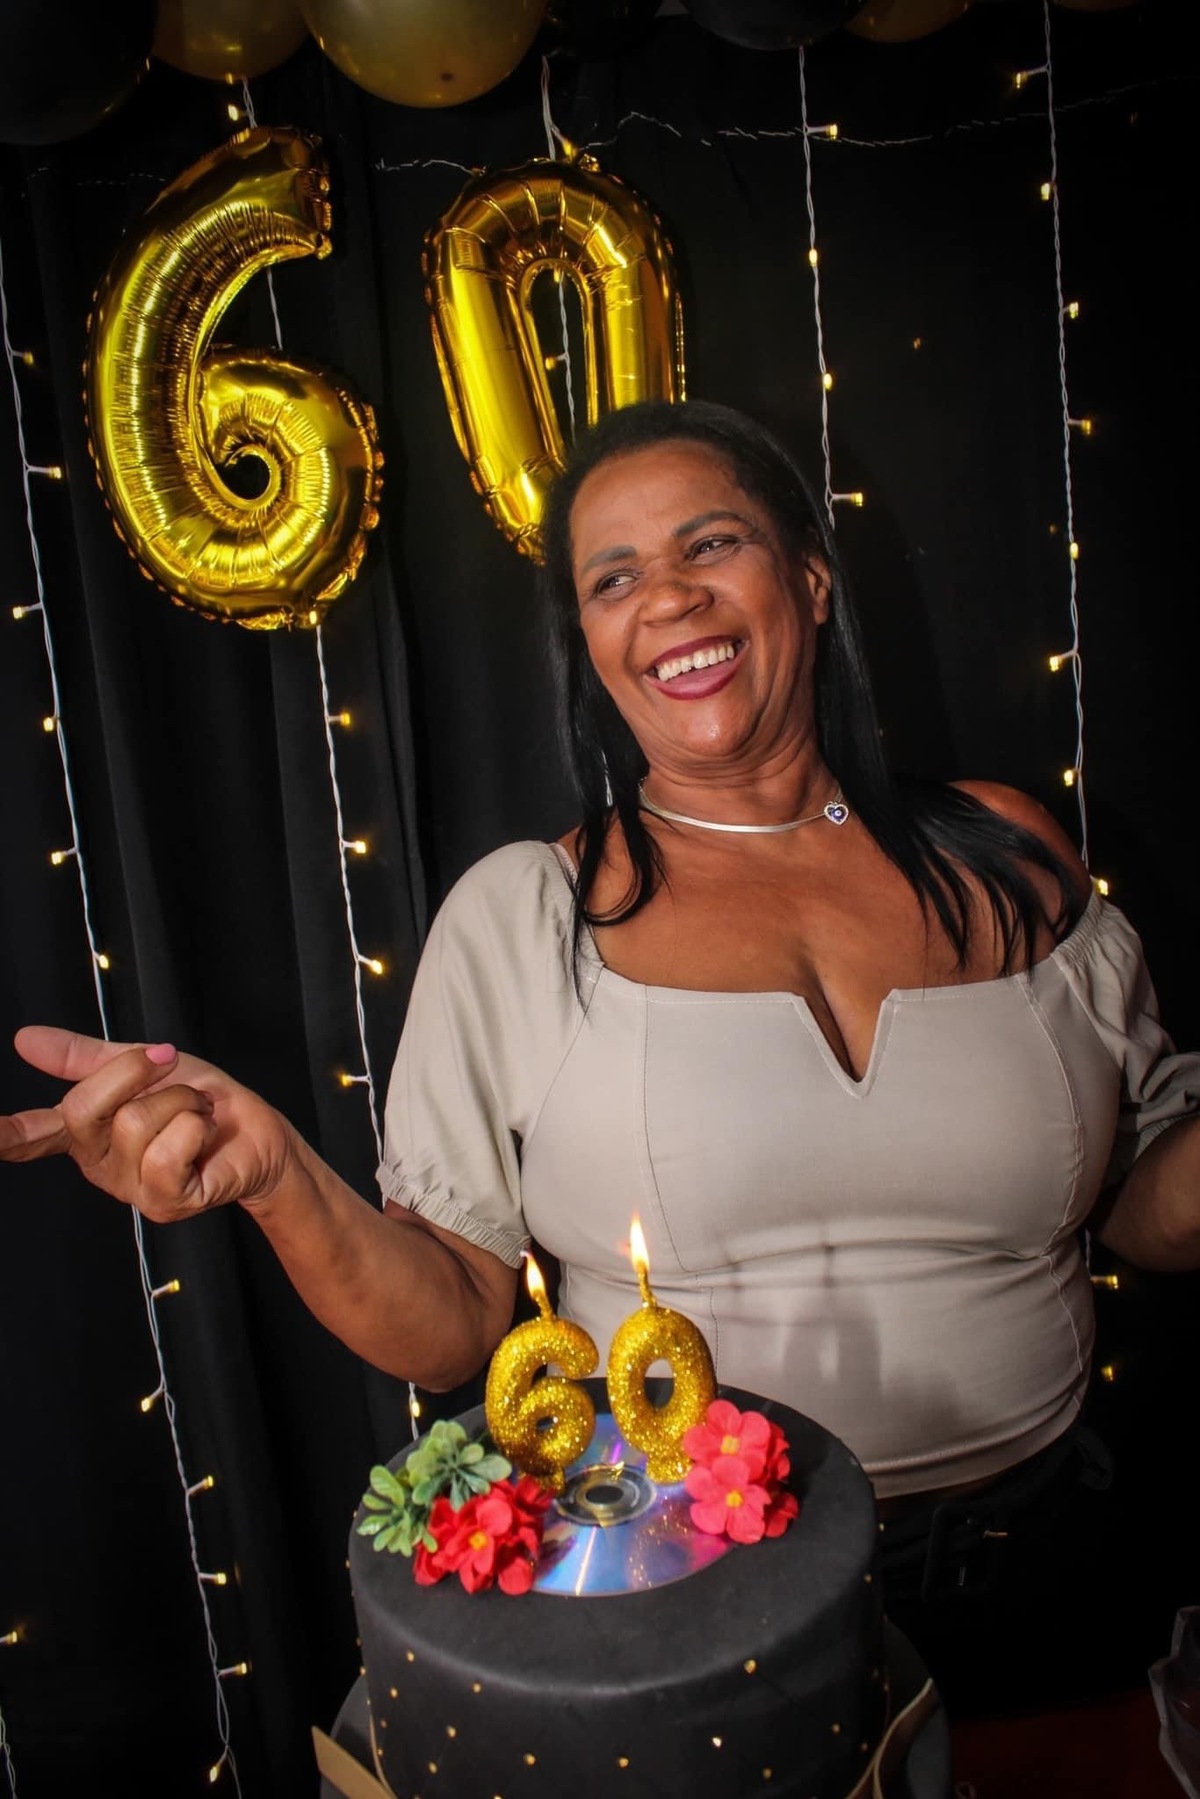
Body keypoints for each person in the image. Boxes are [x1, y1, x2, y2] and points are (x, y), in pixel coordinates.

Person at [4, 399, 1199, 1708]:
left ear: (809, 577)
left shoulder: (1012, 856)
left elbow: (1149, 1212)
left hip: (1047, 1570)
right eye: (614, 579)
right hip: (692, 1601)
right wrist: (276, 1173)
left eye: (711, 544)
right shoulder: (527, 914)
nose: (669, 599)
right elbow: (450, 1330)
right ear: (589, 641)